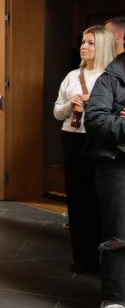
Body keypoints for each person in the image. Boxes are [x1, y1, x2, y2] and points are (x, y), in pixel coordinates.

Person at [53, 26, 116, 273]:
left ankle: (103, 258)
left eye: (91, 43)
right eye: (82, 42)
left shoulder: (111, 78)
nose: (84, 47)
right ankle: (81, 256)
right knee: (77, 198)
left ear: (103, 47)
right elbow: (57, 112)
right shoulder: (72, 76)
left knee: (99, 199)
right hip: (72, 138)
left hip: (98, 140)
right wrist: (70, 104)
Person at [84, 50, 125, 308]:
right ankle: (114, 301)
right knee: (119, 235)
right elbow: (96, 120)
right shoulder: (111, 77)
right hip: (117, 165)